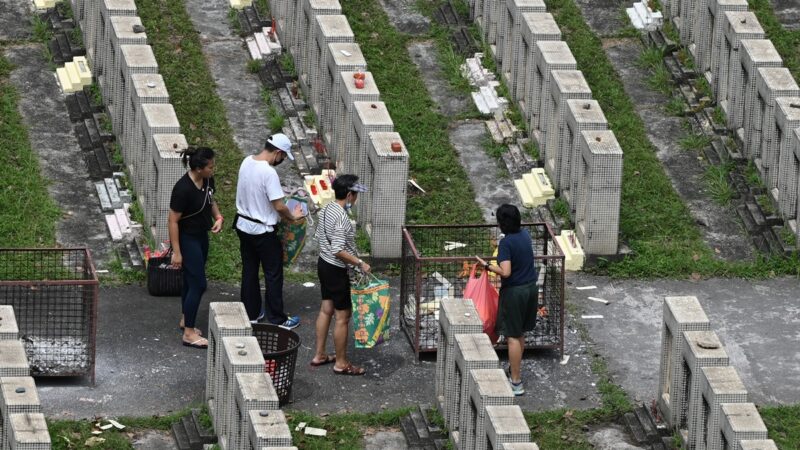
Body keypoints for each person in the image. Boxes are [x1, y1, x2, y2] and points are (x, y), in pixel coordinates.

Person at [233, 134, 303, 329]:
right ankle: (278, 319)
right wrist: (293, 216)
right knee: (273, 274)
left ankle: (252, 313)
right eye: (283, 157)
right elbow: (279, 206)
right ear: (278, 153)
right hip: (263, 231)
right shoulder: (269, 172)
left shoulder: (246, 161)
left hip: (243, 226)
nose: (281, 161)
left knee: (250, 270)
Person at [310, 174, 370, 376]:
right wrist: (360, 262)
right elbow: (338, 249)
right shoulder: (342, 218)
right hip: (336, 269)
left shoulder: (327, 208)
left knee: (326, 308)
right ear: (350, 195)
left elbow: (321, 237)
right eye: (356, 194)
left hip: (323, 264)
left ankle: (319, 354)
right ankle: (341, 363)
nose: (356, 198)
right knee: (343, 317)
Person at [476, 204, 538, 396]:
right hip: (530, 288)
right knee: (520, 334)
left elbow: (506, 272)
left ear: (502, 223)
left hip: (515, 292)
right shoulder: (525, 235)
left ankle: (516, 382)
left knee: (512, 336)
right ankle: (514, 370)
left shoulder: (506, 243)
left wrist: (486, 266)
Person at [168, 147, 223, 349]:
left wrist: (217, 217)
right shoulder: (182, 189)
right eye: (210, 166)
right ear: (199, 168)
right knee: (199, 284)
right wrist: (177, 252)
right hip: (187, 238)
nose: (213, 169)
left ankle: (186, 318)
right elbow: (172, 221)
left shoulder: (207, 180)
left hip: (201, 236)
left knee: (191, 282)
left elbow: (210, 200)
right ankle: (189, 333)